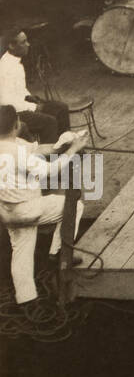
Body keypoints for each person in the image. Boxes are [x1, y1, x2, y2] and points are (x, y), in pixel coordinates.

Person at [0, 106, 87, 309]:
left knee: (21, 250)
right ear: (17, 125)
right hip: (30, 209)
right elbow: (49, 170)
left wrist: (62, 145)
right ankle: (58, 252)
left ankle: (27, 299)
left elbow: (39, 149)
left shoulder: (12, 145)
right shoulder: (18, 152)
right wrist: (74, 149)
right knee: (74, 205)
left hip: (8, 212)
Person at [0, 32, 69, 142]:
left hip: (21, 105)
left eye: (27, 40)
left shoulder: (15, 62)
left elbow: (19, 90)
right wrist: (33, 107)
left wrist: (31, 97)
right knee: (49, 122)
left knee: (61, 108)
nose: (28, 44)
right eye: (23, 42)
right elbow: (6, 101)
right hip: (13, 114)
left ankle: (66, 147)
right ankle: (50, 156)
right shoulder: (5, 67)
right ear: (11, 46)